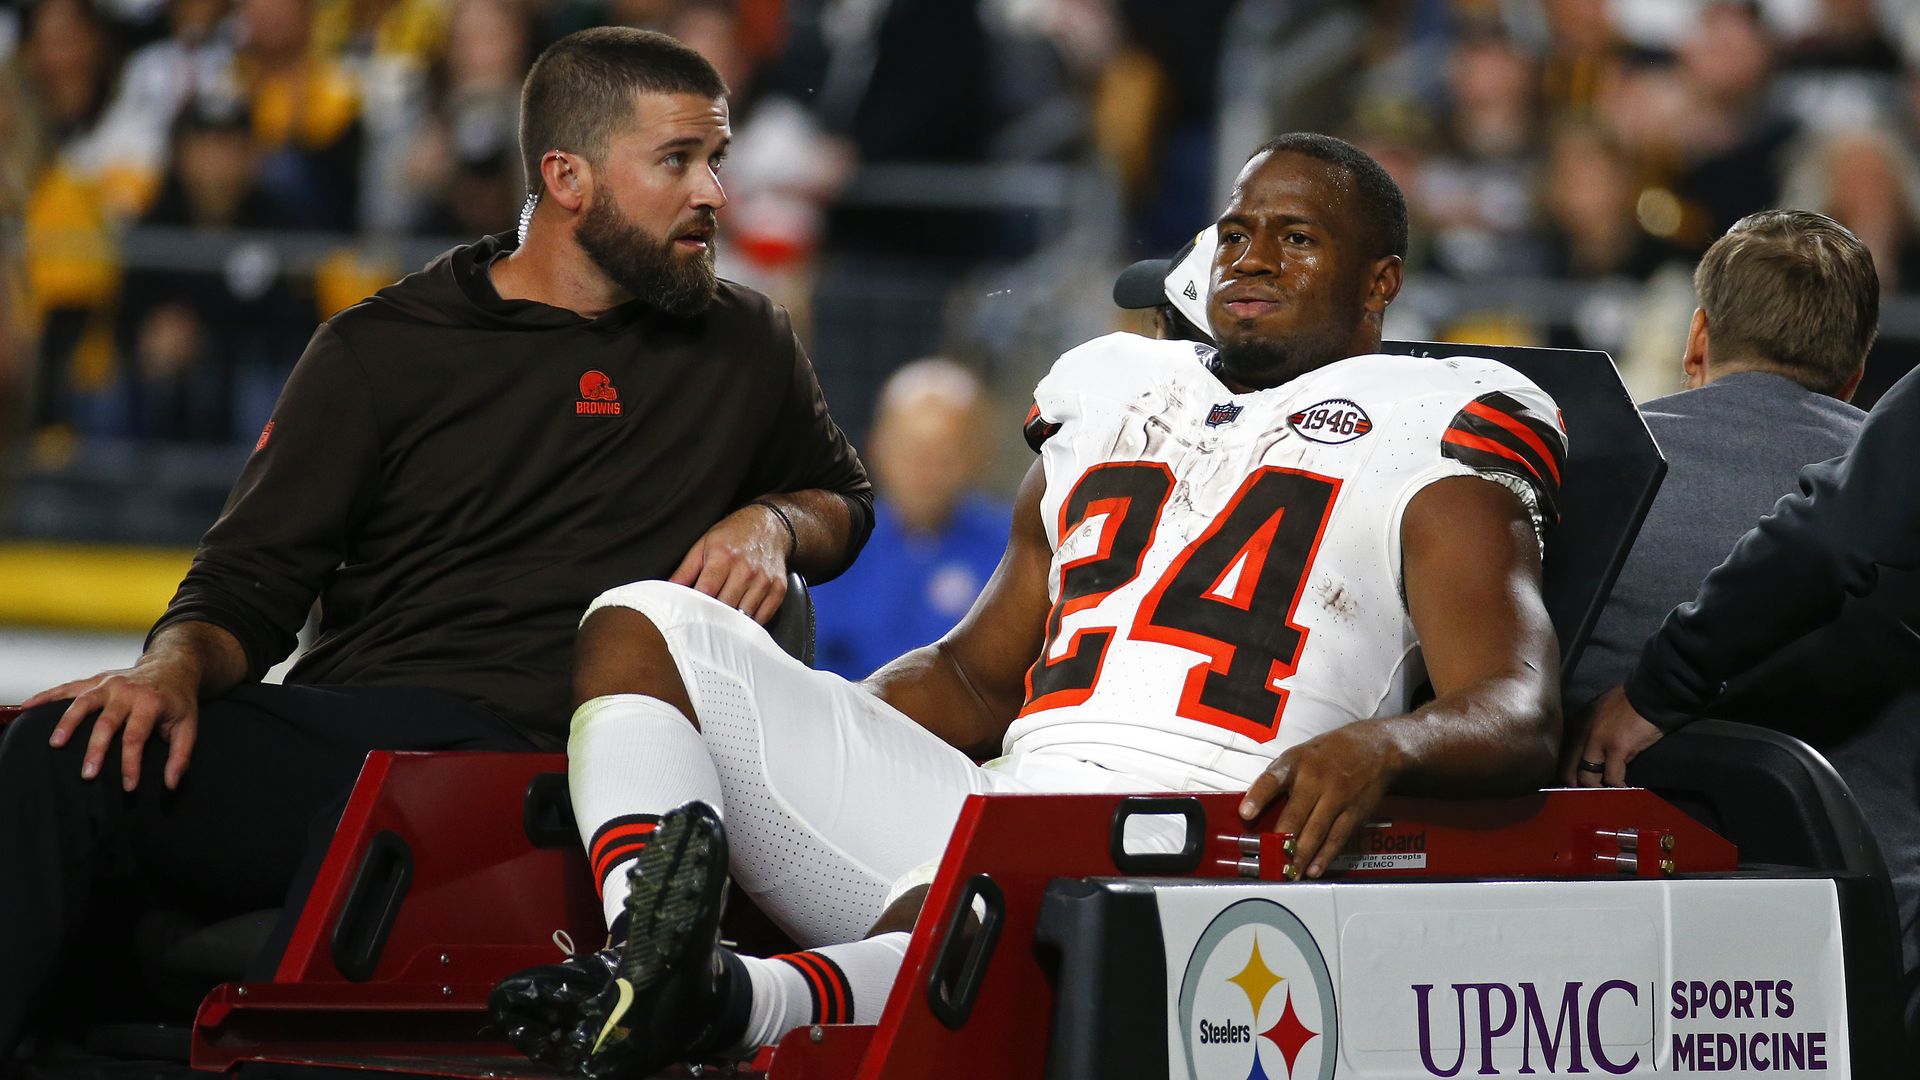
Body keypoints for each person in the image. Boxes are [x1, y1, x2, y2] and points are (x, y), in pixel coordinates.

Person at [490, 133, 1568, 1075]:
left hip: (1193, 832)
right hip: (1002, 792)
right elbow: (971, 677)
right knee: (648, 623)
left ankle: (730, 1003)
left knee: (974, 896)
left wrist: (1383, 748)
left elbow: (1515, 702)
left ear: (1380, 280)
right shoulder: (1112, 389)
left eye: (1297, 238)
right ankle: (647, 951)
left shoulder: (1441, 421)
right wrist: (821, 736)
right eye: (1237, 231)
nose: (1253, 257)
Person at [0, 28, 872, 1059]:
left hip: (551, 770)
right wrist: (168, 670)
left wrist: (773, 522)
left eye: (717, 158)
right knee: (69, 751)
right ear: (568, 177)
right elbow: (246, 584)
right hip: (369, 737)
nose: (716, 193)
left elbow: (842, 500)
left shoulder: (747, 342)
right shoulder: (382, 349)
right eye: (679, 160)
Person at [1568, 214, 1920, 979]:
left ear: (1696, 341)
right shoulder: (1898, 491)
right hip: (1873, 969)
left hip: (1599, 971)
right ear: (1856, 373)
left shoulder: (1572, 474)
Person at [811, 359, 1010, 680]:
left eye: (943, 454)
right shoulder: (834, 542)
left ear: (978, 454)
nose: (924, 471)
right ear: (877, 449)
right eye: (911, 450)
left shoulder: (1013, 547)